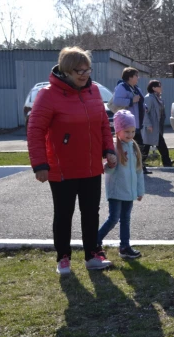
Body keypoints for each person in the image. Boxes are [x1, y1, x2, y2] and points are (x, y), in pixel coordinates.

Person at [27, 46, 116, 275]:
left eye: (87, 69)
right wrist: (40, 164)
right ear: (66, 70)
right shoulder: (48, 95)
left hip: (91, 167)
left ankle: (92, 255)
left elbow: (103, 124)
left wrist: (109, 149)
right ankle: (63, 257)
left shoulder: (94, 91)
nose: (85, 74)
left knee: (91, 212)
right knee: (64, 214)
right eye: (79, 70)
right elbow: (35, 130)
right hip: (61, 169)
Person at [97, 110, 145, 259]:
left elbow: (138, 171)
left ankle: (124, 246)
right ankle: (95, 241)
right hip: (117, 191)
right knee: (113, 218)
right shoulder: (113, 147)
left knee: (126, 219)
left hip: (129, 192)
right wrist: (110, 165)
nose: (130, 135)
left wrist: (139, 190)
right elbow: (107, 170)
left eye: (132, 131)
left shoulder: (133, 147)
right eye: (126, 131)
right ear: (118, 130)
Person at [113, 67, 151, 174]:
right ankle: (138, 167)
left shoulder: (136, 88)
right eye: (136, 76)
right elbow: (117, 101)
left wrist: (145, 107)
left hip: (137, 122)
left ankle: (139, 167)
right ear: (130, 77)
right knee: (137, 144)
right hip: (128, 123)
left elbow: (141, 101)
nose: (138, 78)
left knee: (139, 144)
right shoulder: (122, 87)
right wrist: (131, 100)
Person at [142, 80, 174, 167]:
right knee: (157, 144)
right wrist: (148, 124)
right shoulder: (149, 98)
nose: (161, 88)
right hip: (151, 127)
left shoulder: (158, 98)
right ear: (153, 88)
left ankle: (140, 162)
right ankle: (166, 162)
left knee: (147, 145)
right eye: (159, 86)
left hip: (157, 127)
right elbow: (145, 113)